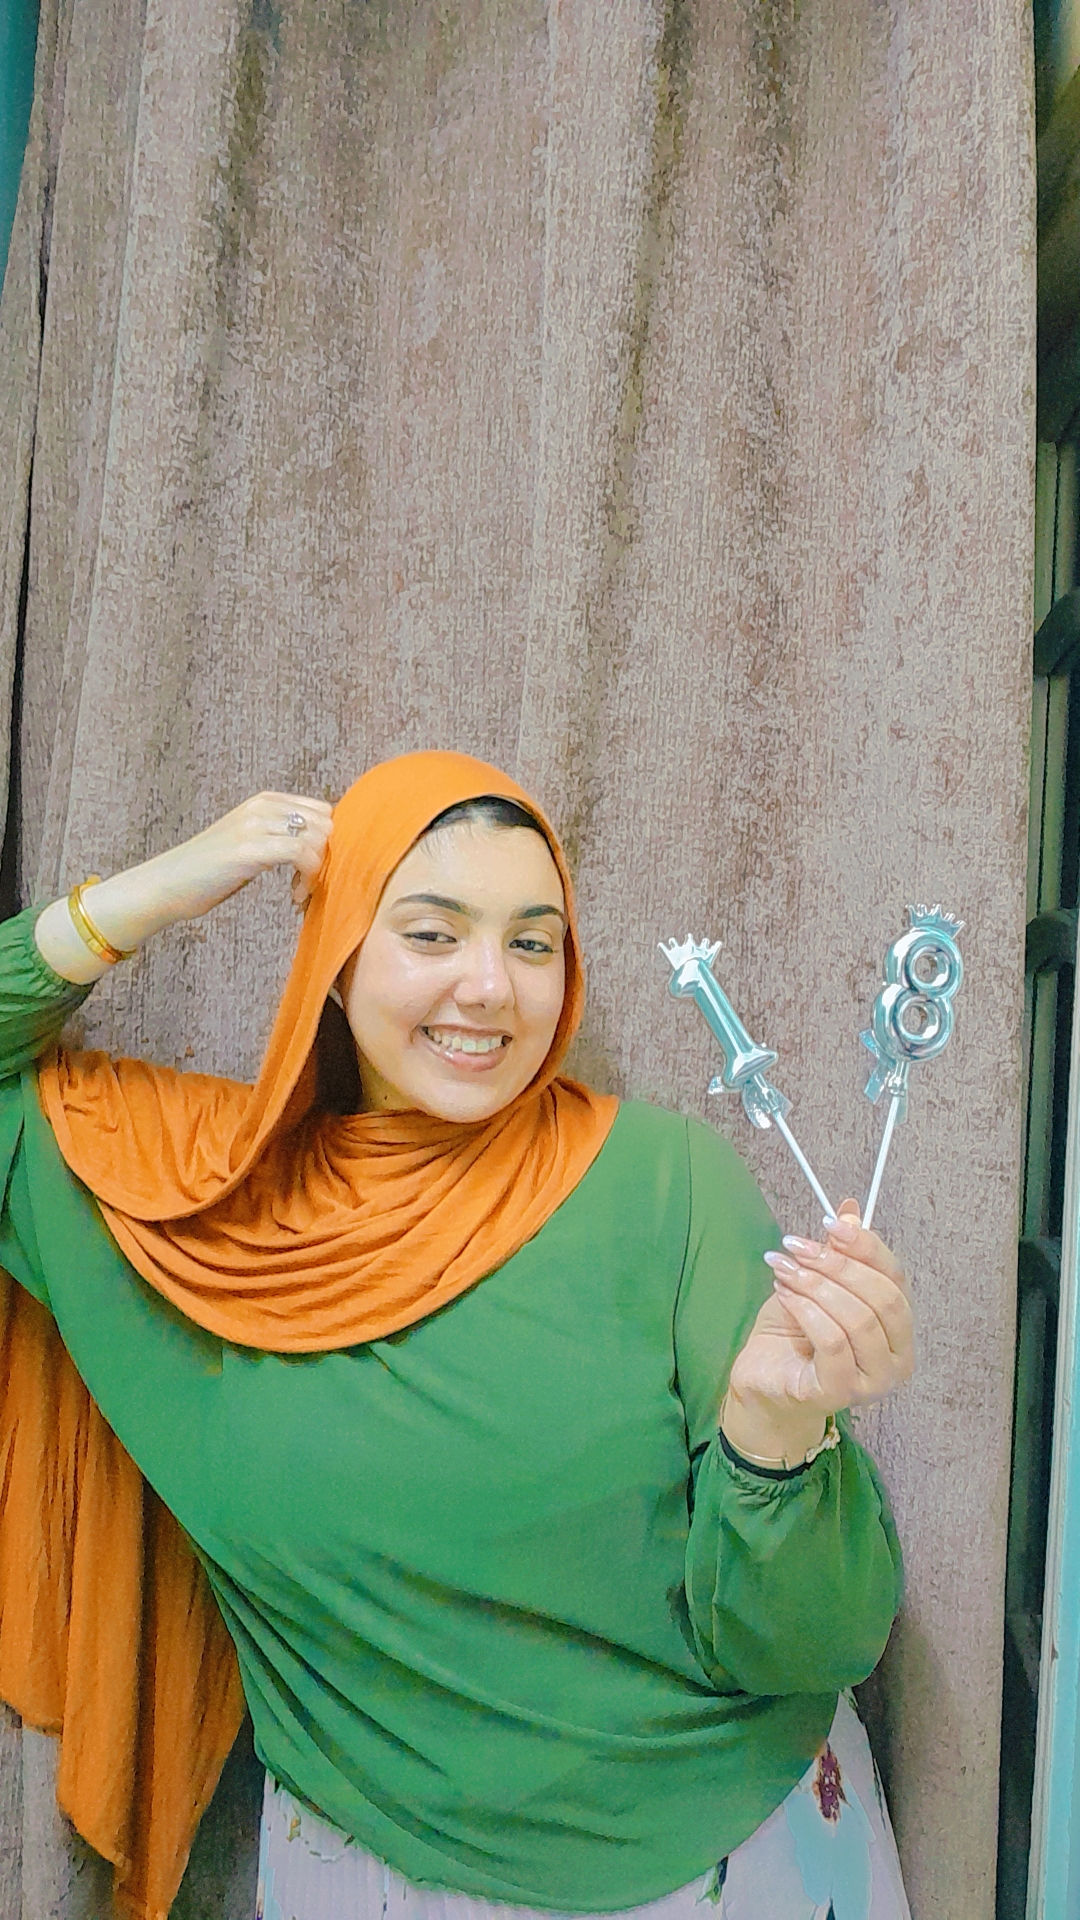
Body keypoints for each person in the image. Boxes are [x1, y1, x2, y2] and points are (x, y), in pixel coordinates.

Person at [0, 750, 912, 1920]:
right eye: (431, 933)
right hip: (381, 1875)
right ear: (335, 959)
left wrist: (777, 1438)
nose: (490, 987)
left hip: (746, 1857)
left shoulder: (666, 1182)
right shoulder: (182, 1206)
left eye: (534, 943)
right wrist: (156, 890)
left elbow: (814, 1643)